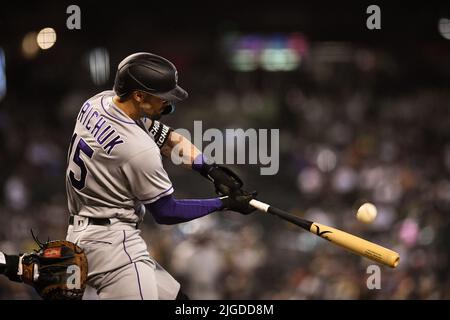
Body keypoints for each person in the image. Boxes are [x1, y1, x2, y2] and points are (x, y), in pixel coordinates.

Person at [64, 52, 257, 299]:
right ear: (138, 95)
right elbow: (166, 212)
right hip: (113, 246)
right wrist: (224, 204)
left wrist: (211, 170)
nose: (168, 105)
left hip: (84, 234)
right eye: (162, 98)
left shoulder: (97, 103)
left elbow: (168, 140)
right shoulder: (137, 148)